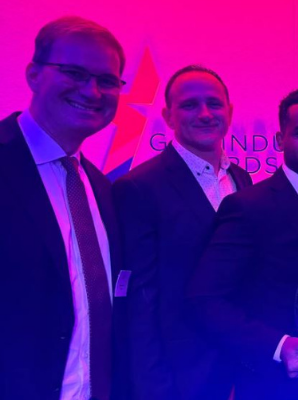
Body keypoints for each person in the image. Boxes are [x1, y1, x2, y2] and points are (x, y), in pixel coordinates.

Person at [186, 88, 298, 399]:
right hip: (276, 384)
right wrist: (278, 346)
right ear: (280, 140)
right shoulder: (248, 206)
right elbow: (206, 299)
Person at [0, 16, 129, 400]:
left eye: (106, 81)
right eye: (73, 73)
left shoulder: (102, 188)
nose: (91, 91)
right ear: (34, 74)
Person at [112, 65, 252, 400]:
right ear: (168, 116)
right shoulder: (139, 187)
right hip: (179, 378)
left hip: (242, 368)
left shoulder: (242, 180)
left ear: (229, 112)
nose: (204, 114)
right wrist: (152, 388)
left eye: (214, 104)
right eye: (189, 105)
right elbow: (139, 304)